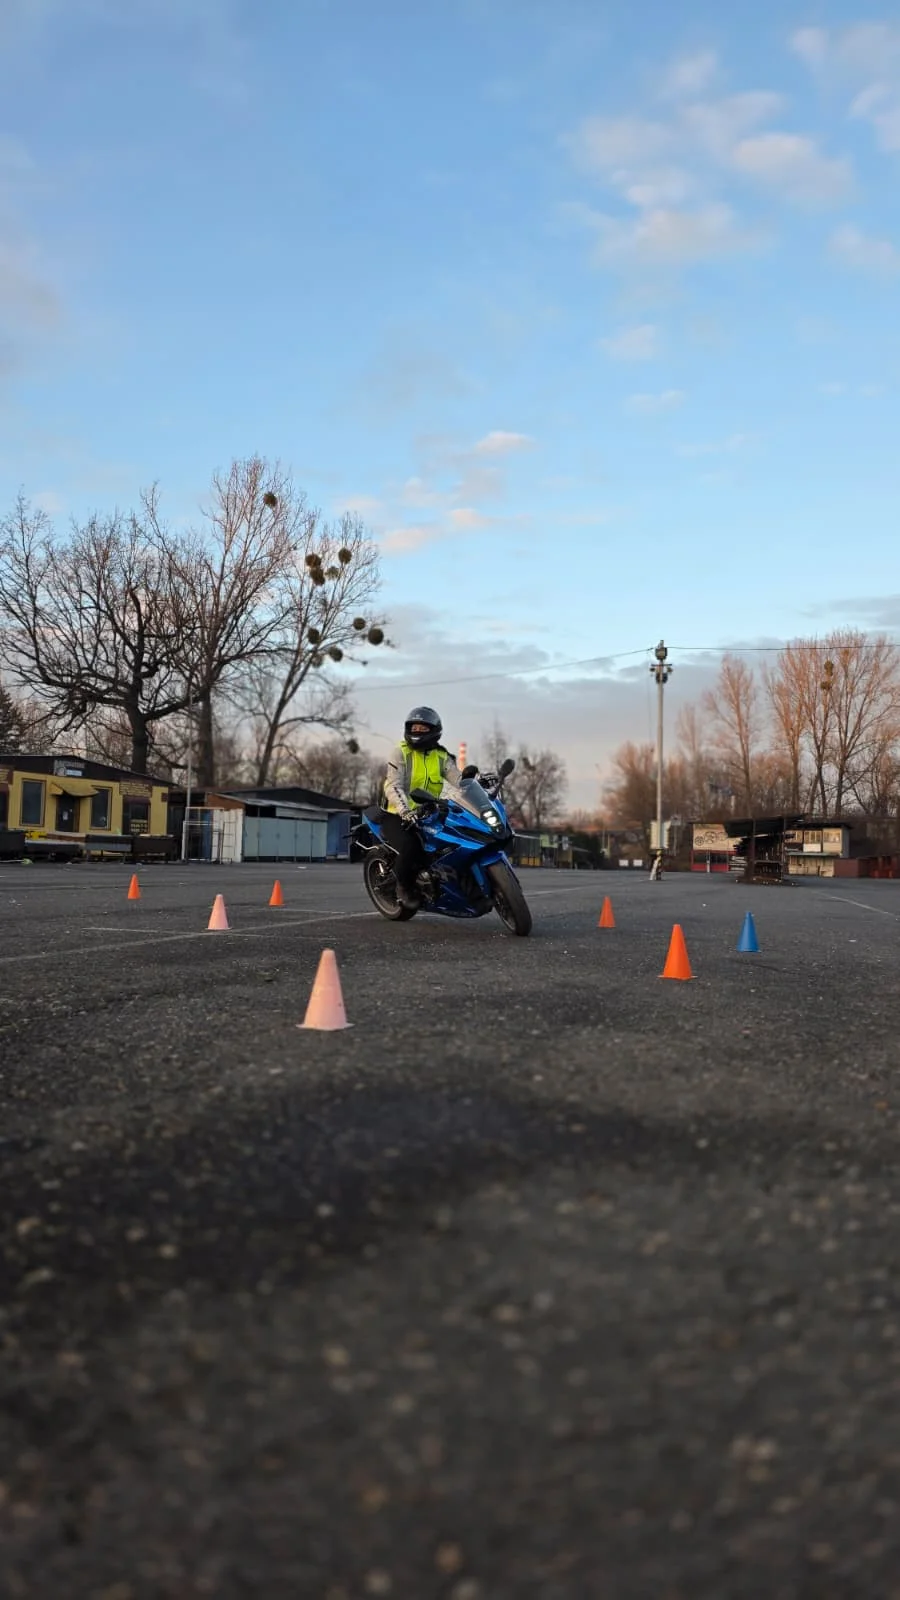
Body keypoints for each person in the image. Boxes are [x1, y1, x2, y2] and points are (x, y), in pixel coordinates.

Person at [380, 706, 461, 909]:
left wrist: (477, 783)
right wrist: (405, 811)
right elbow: (393, 785)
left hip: (429, 815)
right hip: (397, 814)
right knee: (411, 846)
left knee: (453, 841)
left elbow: (459, 781)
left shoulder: (441, 757)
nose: (417, 731)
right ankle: (403, 887)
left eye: (422, 728)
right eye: (414, 727)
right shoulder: (401, 752)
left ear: (434, 731)